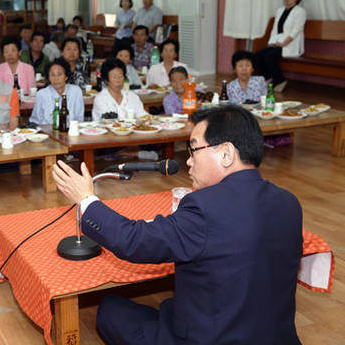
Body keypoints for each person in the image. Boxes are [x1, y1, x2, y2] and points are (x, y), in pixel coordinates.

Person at [52, 105, 303, 345]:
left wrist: (87, 199)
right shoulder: (289, 202)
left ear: (226, 153)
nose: (189, 162)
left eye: (194, 149)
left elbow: (133, 241)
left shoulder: (204, 207)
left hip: (208, 339)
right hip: (276, 338)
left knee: (110, 309)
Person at [254, 0, 306, 93]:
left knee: (269, 56)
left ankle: (280, 80)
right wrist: (271, 43)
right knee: (258, 55)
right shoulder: (280, 10)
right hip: (277, 43)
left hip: (290, 45)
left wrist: (283, 43)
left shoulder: (300, 11)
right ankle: (267, 78)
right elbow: (275, 29)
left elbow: (295, 31)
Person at [29, 58, 84, 125]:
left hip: (71, 132)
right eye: (52, 75)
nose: (56, 78)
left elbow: (79, 120)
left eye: (59, 74)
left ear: (66, 76)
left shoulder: (76, 91)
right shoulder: (42, 95)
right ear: (48, 78)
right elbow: (35, 121)